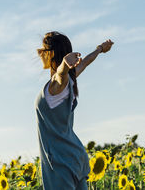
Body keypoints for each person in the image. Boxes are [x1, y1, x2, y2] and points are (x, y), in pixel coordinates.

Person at [35, 31, 114, 190]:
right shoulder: (70, 79)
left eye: (43, 50)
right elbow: (85, 62)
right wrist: (100, 48)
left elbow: (60, 74)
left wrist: (63, 65)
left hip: (60, 163)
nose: (39, 53)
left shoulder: (58, 84)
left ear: (51, 54)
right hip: (75, 157)